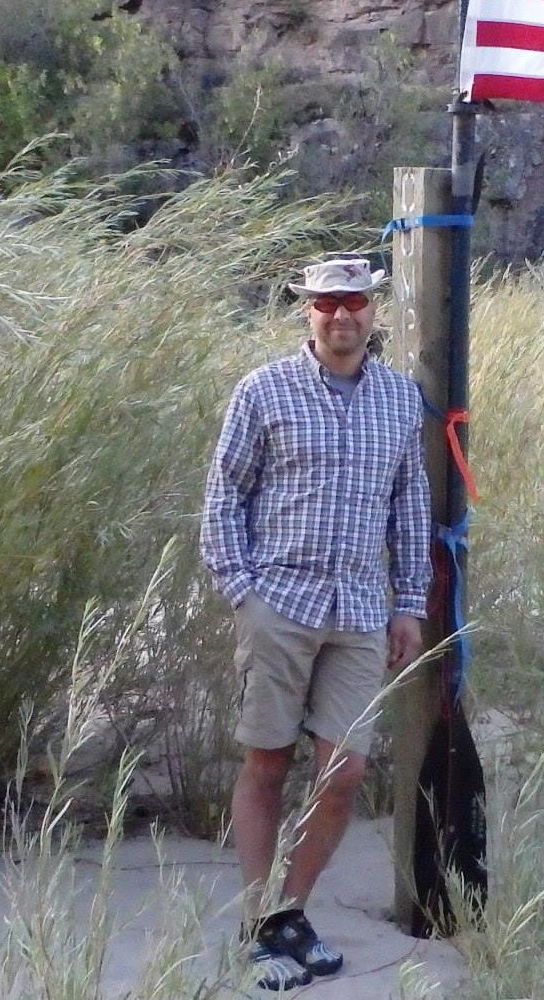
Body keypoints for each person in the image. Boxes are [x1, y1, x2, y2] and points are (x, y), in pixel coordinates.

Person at [201, 255, 432, 990]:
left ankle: (289, 913)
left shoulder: (400, 399)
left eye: (354, 301)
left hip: (361, 612)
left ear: (373, 309)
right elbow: (224, 496)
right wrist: (244, 591)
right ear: (307, 310)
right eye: (327, 303)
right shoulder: (263, 390)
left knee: (345, 770)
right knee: (266, 762)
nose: (342, 315)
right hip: (281, 605)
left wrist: (410, 603)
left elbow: (411, 507)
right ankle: (257, 920)